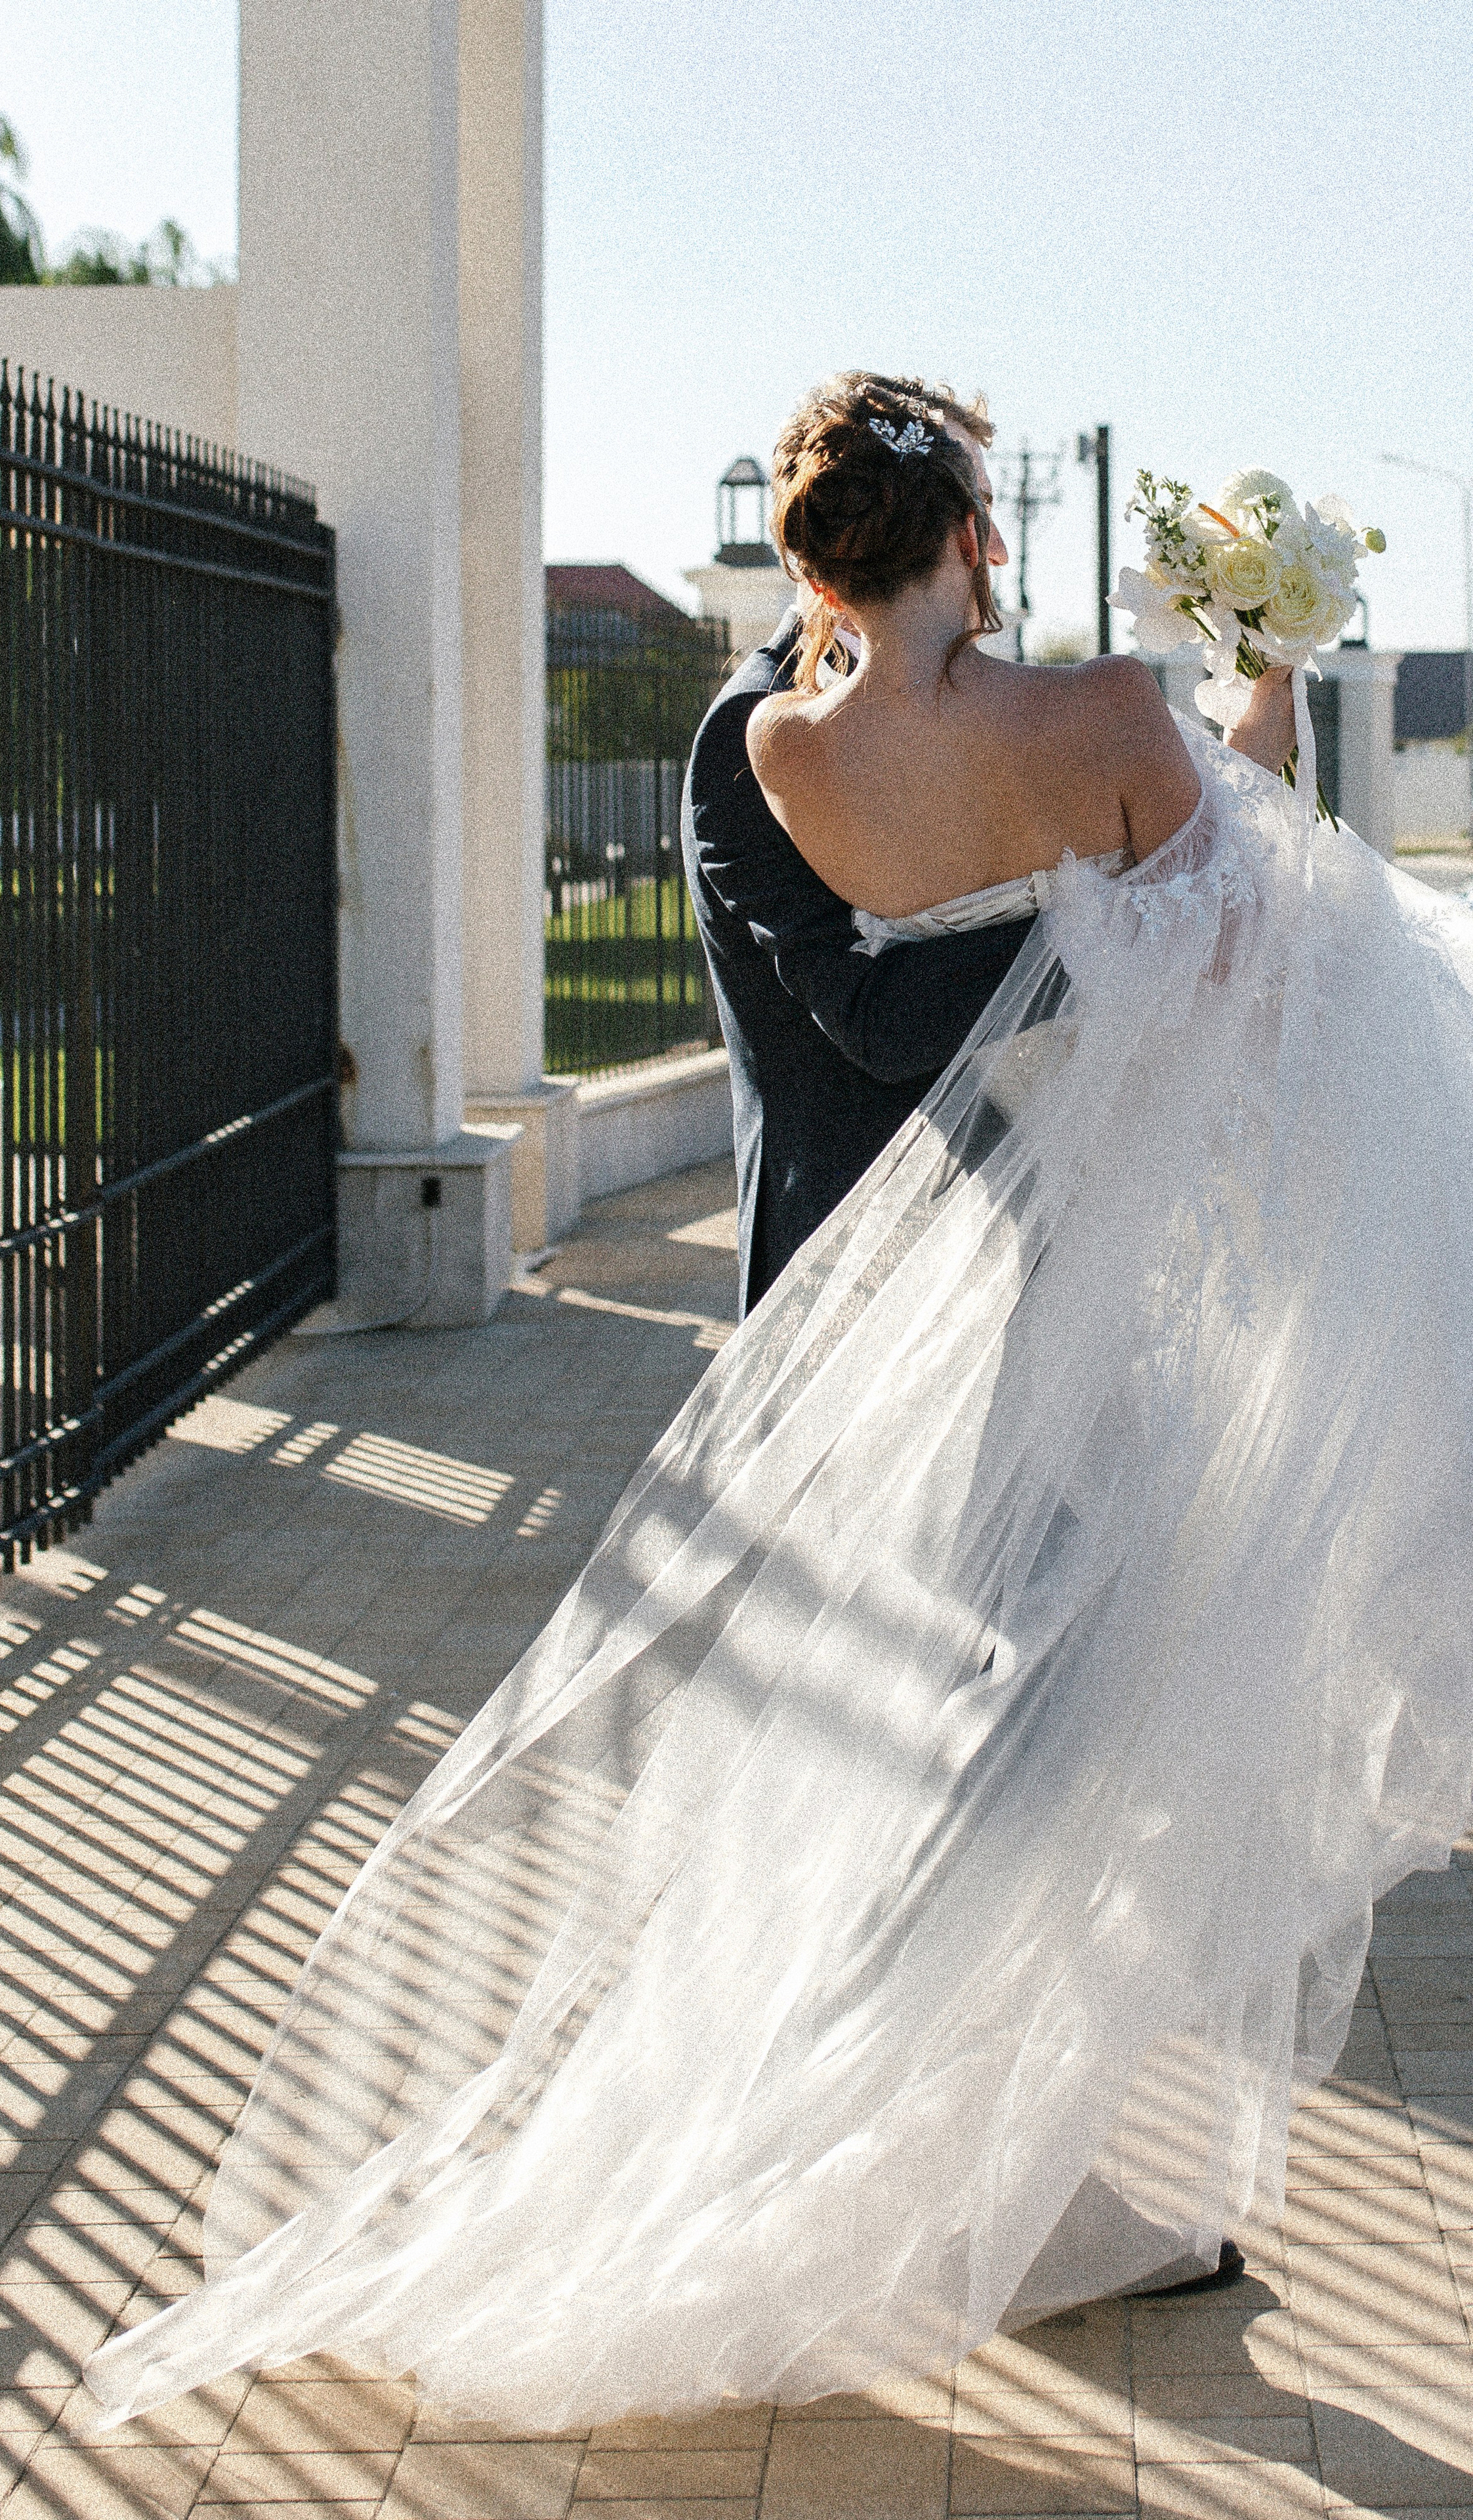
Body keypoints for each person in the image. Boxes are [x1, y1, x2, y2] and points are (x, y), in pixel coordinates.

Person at [87, 375, 1473, 2437]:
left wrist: (1108, 882)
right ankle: (912, 2136)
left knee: (957, 1724)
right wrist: (1218, 752)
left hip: (861, 1326)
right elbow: (1247, 944)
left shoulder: (759, 750)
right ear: (979, 537)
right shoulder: (1099, 718)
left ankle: (950, 2133)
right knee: (1037, 1731)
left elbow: (877, 1007)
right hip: (1064, 1314)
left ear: (809, 561)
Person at [682, 400, 1032, 1318]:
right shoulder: (751, 736)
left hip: (997, 1239)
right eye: (975, 514)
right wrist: (1112, 914)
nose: (993, 551)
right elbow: (875, 1022)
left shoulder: (944, 712)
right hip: (850, 1260)